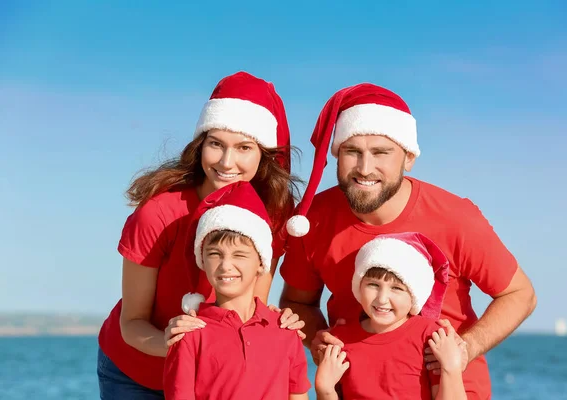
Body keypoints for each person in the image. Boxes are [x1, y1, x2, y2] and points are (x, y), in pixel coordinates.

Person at [280, 83, 537, 398]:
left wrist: (466, 349)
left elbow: (520, 294)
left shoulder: (455, 217)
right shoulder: (314, 218)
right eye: (352, 151)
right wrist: (318, 338)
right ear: (336, 154)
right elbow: (297, 303)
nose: (364, 168)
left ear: (408, 157)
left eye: (380, 153)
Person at [97, 72, 305, 399]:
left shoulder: (272, 216)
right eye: (216, 144)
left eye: (244, 148)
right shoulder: (160, 214)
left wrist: (279, 324)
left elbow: (252, 304)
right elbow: (132, 322)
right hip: (137, 373)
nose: (226, 161)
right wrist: (174, 342)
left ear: (263, 154)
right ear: (200, 145)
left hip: (213, 374)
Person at [164, 181, 311, 399]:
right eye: (214, 254)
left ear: (261, 263)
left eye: (239, 255)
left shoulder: (286, 330)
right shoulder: (191, 335)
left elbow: (298, 395)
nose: (225, 265)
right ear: (202, 260)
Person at [315, 232, 466, 400]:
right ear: (359, 285)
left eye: (397, 288)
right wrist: (325, 390)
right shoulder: (340, 340)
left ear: (415, 295)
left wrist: (451, 368)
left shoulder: (431, 336)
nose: (382, 298)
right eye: (373, 284)